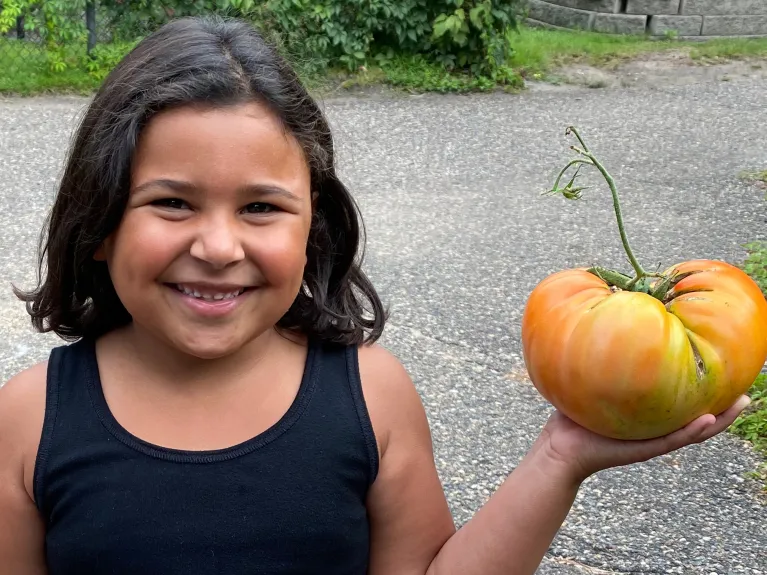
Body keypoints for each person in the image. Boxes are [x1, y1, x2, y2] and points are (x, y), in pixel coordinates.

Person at [0, 15, 750, 575]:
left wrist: (561, 455)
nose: (219, 246)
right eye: (171, 202)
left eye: (260, 207)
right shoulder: (29, 419)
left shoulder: (372, 395)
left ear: (312, 228)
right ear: (99, 221)